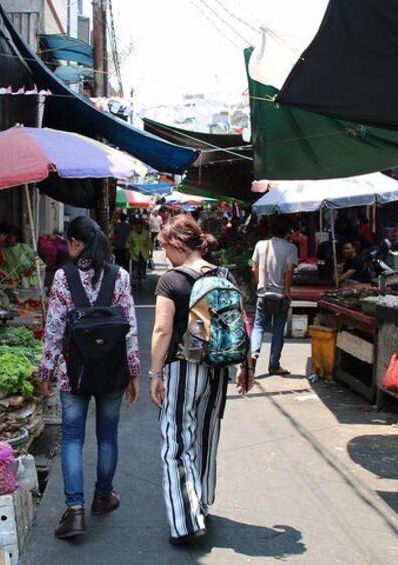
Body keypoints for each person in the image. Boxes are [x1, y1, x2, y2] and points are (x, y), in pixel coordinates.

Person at [149, 214, 253, 545]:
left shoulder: (171, 280)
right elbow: (241, 322)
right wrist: (246, 366)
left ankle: (186, 523)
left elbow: (163, 330)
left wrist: (155, 373)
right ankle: (201, 503)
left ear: (178, 244)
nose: (165, 255)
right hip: (218, 370)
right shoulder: (223, 274)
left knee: (175, 443)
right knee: (206, 437)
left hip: (183, 370)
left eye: (166, 247)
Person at [38, 216, 140, 540]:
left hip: (73, 372)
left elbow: (54, 329)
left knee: (72, 438)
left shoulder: (63, 278)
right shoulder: (120, 276)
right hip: (112, 371)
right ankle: (103, 496)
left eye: (70, 242)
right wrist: (134, 373)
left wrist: (46, 372)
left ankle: (75, 511)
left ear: (77, 244)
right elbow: (130, 328)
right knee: (107, 436)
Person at [251, 215, 298, 376]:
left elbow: (254, 268)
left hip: (263, 293)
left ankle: (253, 357)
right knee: (278, 330)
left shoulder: (260, 245)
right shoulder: (290, 248)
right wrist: (287, 290)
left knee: (258, 327)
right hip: (280, 296)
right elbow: (290, 269)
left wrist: (259, 284)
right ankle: (274, 366)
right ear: (287, 231)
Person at [127, 219, 153, 288]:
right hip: (134, 253)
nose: (139, 226)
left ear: (143, 226)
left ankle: (140, 280)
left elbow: (149, 243)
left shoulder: (146, 233)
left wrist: (151, 252)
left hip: (144, 253)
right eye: (137, 225)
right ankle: (135, 281)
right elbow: (129, 242)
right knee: (135, 268)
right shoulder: (132, 233)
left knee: (142, 267)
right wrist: (128, 251)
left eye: (140, 225)